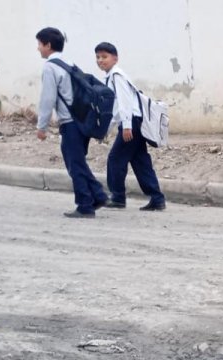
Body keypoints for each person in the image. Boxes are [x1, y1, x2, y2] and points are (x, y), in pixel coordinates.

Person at [35, 27, 108, 219]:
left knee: (74, 165)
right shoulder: (69, 63)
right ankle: (96, 196)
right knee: (77, 162)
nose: (38, 48)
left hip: (70, 123)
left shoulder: (50, 67)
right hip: (83, 120)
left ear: (48, 45)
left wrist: (41, 126)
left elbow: (47, 98)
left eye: (39, 44)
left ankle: (86, 204)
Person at [95, 42, 166, 212]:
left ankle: (118, 197)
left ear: (115, 58)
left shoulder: (117, 75)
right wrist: (106, 130)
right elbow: (115, 109)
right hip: (134, 122)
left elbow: (125, 103)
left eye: (104, 57)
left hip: (132, 123)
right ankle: (157, 198)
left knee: (115, 158)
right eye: (98, 57)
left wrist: (126, 127)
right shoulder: (112, 77)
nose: (100, 60)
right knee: (140, 161)